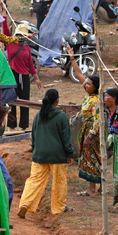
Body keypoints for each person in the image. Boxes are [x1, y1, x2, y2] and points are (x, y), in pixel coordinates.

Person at [18, 89, 74, 217]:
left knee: (34, 180)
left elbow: (34, 134)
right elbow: (66, 138)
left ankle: (25, 203)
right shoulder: (61, 116)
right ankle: (58, 208)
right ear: (57, 101)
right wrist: (70, 154)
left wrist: (34, 149)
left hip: (40, 154)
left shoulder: (38, 115)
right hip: (57, 155)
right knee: (59, 181)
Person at [6, 23, 40, 130]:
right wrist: (4, 15)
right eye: (19, 35)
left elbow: (30, 64)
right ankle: (11, 125)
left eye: (22, 35)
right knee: (12, 101)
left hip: (24, 76)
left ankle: (24, 125)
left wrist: (37, 78)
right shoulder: (10, 43)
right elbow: (6, 30)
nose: (20, 37)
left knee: (25, 101)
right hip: (13, 74)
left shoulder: (27, 48)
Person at [77, 75, 102, 196]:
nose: (86, 86)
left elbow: (98, 121)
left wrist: (89, 136)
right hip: (86, 128)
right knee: (92, 157)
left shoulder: (96, 101)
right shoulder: (88, 95)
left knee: (93, 157)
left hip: (92, 131)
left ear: (95, 87)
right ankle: (99, 187)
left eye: (89, 84)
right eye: (86, 83)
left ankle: (92, 189)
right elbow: (79, 75)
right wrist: (72, 59)